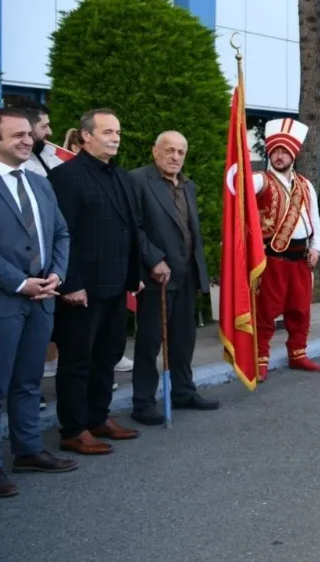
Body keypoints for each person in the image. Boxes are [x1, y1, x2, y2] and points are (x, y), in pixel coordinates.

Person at [49, 108, 144, 455]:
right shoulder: (66, 176)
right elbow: (62, 234)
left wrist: (135, 276)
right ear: (86, 136)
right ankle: (73, 429)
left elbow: (130, 229)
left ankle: (98, 417)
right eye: (107, 132)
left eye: (117, 131)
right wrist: (70, 282)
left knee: (108, 355)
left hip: (117, 285)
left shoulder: (120, 176)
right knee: (77, 360)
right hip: (82, 290)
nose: (115, 137)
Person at [0, 108, 77, 498]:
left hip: (43, 298)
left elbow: (61, 233)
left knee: (28, 382)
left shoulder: (40, 183)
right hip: (4, 301)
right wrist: (20, 282)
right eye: (17, 136)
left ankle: (28, 451)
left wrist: (56, 275)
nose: (28, 141)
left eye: (29, 134)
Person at [129, 131, 217, 425]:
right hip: (156, 275)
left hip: (187, 274)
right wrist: (154, 259)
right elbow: (133, 227)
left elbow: (189, 231)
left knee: (184, 338)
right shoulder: (139, 181)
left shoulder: (187, 185)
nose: (175, 157)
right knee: (151, 339)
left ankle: (183, 391)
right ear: (155, 152)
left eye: (181, 151)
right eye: (169, 150)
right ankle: (142, 402)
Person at [252, 118, 320, 382]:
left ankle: (297, 354)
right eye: (275, 152)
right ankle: (260, 360)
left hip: (302, 258)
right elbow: (243, 185)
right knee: (266, 312)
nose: (279, 156)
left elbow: (315, 220)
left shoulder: (305, 185)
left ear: (293, 155)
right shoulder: (262, 180)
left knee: (300, 311)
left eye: (284, 152)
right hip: (273, 259)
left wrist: (316, 248)